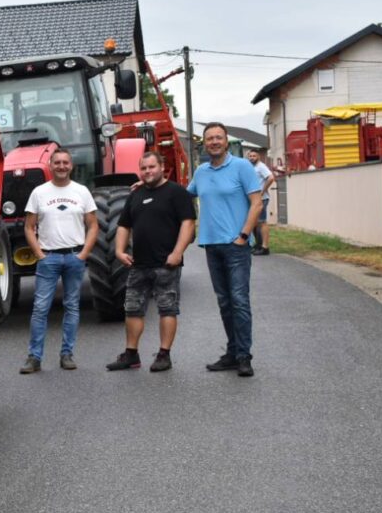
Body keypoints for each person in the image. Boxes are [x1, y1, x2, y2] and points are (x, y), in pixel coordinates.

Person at [106, 152, 197, 372]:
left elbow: (188, 224)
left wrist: (177, 252)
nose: (147, 171)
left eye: (151, 167)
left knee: (167, 309)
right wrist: (119, 250)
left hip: (167, 264)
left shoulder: (177, 193)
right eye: (144, 168)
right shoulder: (135, 195)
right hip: (138, 264)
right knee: (132, 310)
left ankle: (164, 355)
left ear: (162, 166)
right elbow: (123, 225)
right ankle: (131, 354)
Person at [188, 122, 263, 377]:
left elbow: (256, 204)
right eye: (209, 139)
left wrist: (243, 236)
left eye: (218, 137)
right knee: (225, 302)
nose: (214, 142)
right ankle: (232, 352)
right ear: (204, 143)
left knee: (239, 301)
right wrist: (144, 185)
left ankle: (244, 356)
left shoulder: (242, 167)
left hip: (236, 247)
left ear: (226, 140)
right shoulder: (201, 172)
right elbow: (182, 195)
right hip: (211, 245)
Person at [20, 147, 99, 373]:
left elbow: (93, 225)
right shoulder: (39, 192)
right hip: (49, 258)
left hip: (75, 256)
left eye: (65, 163)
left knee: (72, 306)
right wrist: (39, 254)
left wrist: (84, 253)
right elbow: (29, 226)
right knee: (40, 308)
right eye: (57, 163)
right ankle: (34, 357)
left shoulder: (82, 192)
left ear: (71, 166)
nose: (62, 166)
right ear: (50, 165)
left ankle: (67, 354)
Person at [246, 149, 276, 255]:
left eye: (254, 156)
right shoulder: (252, 167)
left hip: (262, 198)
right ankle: (258, 244)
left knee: (262, 222)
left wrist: (263, 191)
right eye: (250, 156)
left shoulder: (261, 166)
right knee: (254, 222)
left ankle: (265, 247)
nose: (252, 158)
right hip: (254, 199)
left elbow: (271, 178)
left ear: (258, 156)